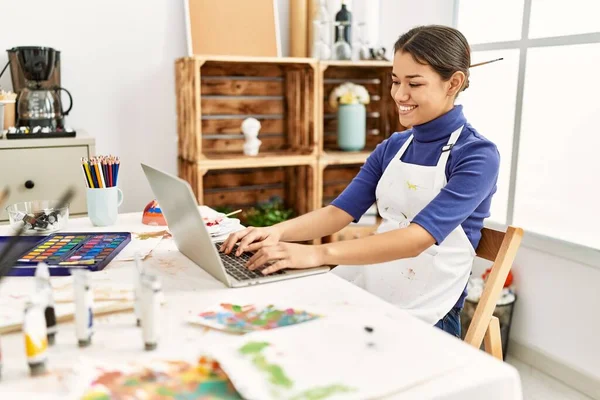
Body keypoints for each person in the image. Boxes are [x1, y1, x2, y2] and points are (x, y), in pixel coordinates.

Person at [220, 25, 500, 338]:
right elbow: (339, 213)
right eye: (395, 81)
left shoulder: (477, 155)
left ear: (454, 83)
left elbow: (417, 239)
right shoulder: (394, 146)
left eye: (414, 83)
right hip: (370, 289)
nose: (399, 95)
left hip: (429, 313)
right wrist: (274, 232)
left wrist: (317, 255)